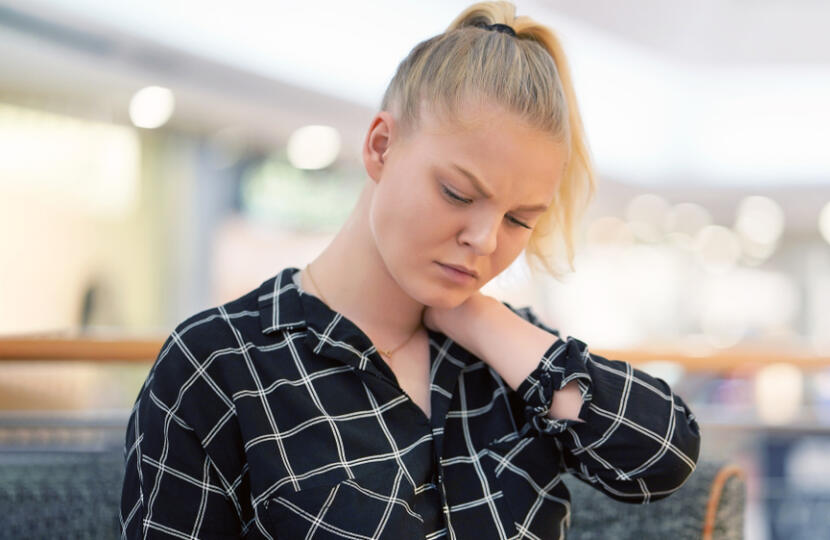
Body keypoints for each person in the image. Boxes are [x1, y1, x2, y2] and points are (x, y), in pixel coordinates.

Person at [119, 2, 701, 538]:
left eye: (520, 221)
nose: (485, 240)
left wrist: (482, 321)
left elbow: (662, 457)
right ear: (380, 147)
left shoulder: (510, 363)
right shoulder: (219, 364)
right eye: (456, 193)